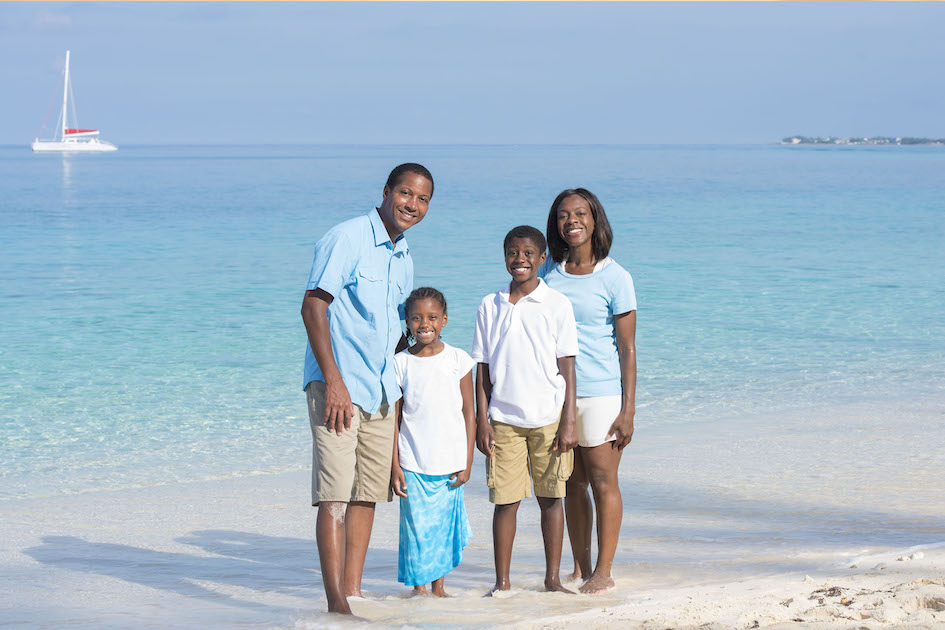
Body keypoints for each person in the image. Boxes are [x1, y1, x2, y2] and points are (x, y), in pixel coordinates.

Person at [300, 163, 434, 615]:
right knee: (335, 495)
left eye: (421, 199)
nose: (412, 205)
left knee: (367, 493)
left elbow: (399, 332)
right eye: (405, 194)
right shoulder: (348, 237)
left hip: (380, 391)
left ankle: (353, 591)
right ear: (386, 191)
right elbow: (314, 305)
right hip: (338, 386)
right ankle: (336, 604)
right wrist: (333, 381)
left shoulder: (404, 256)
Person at [471, 225, 579, 595]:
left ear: (542, 258)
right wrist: (480, 420)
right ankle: (502, 583)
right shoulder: (490, 304)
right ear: (505, 258)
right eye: (513, 253)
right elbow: (482, 368)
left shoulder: (557, 304)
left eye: (529, 253)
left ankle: (552, 579)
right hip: (503, 421)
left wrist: (569, 420)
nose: (521, 259)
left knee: (551, 499)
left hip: (548, 418)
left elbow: (567, 367)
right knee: (506, 502)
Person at [540, 188, 637, 594]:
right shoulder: (547, 271)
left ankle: (604, 571)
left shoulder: (616, 277)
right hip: (556, 394)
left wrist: (628, 410)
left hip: (600, 395)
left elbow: (628, 348)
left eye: (580, 213)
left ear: (595, 219)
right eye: (563, 215)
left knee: (602, 482)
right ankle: (580, 567)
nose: (572, 221)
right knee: (570, 483)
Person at [390, 287, 475, 597]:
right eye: (416, 318)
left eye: (432, 317)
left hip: (450, 460)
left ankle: (439, 589)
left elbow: (469, 413)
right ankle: (419, 590)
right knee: (416, 529)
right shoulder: (400, 363)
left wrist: (467, 463)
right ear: (407, 322)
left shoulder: (459, 359)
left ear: (444, 320)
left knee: (441, 528)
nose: (424, 324)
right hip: (412, 460)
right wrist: (394, 465)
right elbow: (395, 419)